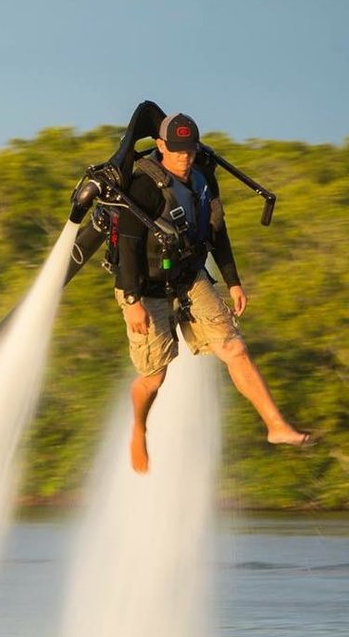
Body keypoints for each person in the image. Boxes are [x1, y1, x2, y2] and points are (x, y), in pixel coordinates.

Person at [113, 111, 312, 473]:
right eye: (176, 150)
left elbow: (217, 233)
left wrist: (233, 280)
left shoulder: (203, 181)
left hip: (190, 275)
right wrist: (131, 301)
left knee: (234, 347)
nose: (184, 157)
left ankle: (276, 426)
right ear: (160, 146)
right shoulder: (144, 186)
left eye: (189, 150)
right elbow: (126, 245)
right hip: (143, 286)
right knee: (155, 376)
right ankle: (139, 427)